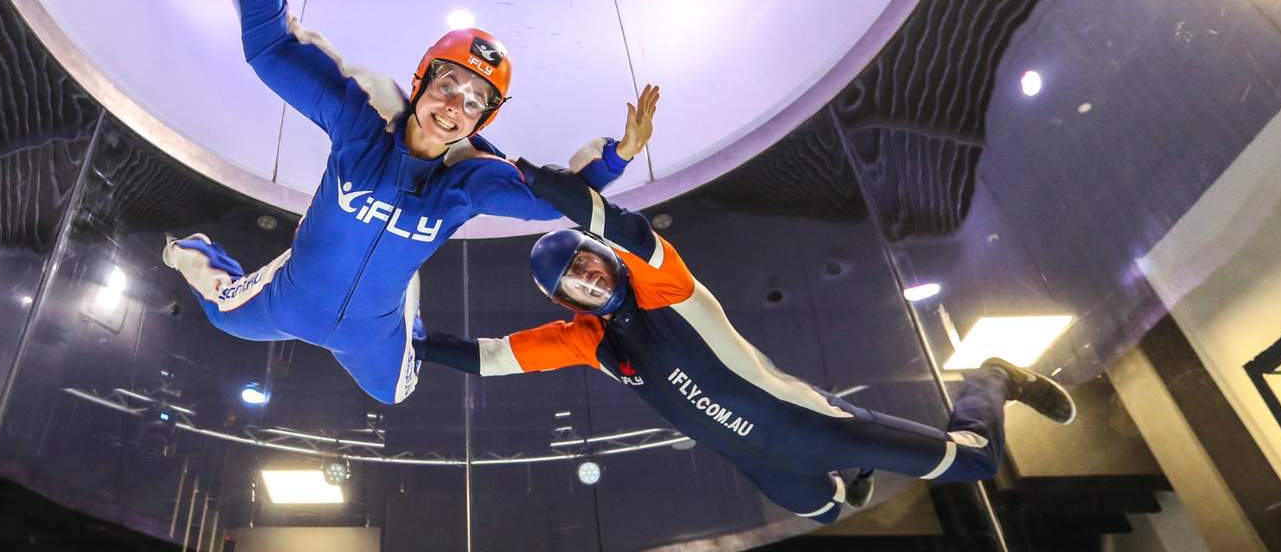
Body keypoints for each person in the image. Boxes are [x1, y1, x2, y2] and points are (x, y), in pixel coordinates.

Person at [162, 0, 657, 405]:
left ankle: (406, 309)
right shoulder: (359, 126)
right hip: (289, 298)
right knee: (222, 313)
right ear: (421, 81)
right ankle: (188, 250)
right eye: (448, 86)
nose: (455, 107)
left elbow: (551, 202)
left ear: (483, 122)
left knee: (395, 393)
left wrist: (618, 157)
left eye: (475, 102)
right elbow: (271, 51)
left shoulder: (470, 182)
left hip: (370, 333)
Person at [416, 144, 1078, 523]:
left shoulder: (663, 284)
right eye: (572, 281)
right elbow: (494, 358)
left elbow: (611, 222)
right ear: (565, 300)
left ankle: (994, 375)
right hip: (761, 463)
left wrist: (516, 169)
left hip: (820, 429)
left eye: (587, 261)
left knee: (978, 463)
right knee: (831, 511)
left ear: (604, 256)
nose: (587, 277)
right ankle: (856, 474)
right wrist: (415, 346)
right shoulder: (591, 341)